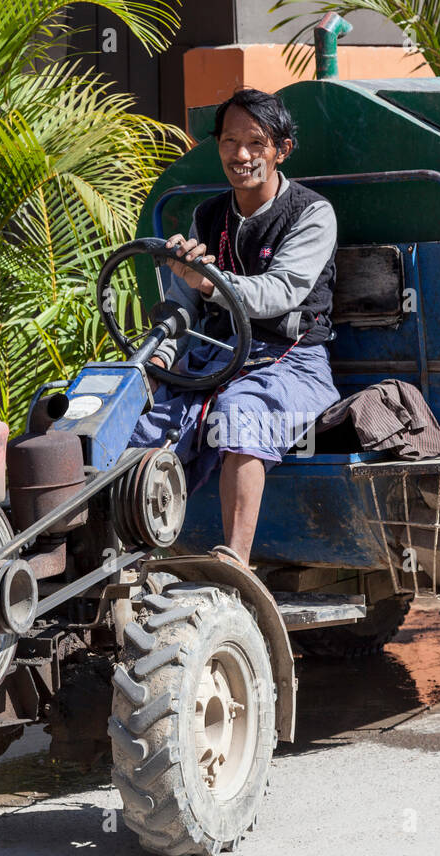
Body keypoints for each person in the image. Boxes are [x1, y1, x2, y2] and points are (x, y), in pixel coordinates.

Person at [129, 88, 340, 567]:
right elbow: (180, 308)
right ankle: (126, 558)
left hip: (293, 364)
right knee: (141, 420)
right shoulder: (206, 215)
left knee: (239, 411)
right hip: (214, 359)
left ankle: (235, 564)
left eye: (256, 143)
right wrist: (160, 354)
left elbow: (281, 291)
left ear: (281, 150)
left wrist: (208, 284)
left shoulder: (311, 213)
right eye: (229, 142)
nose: (241, 155)